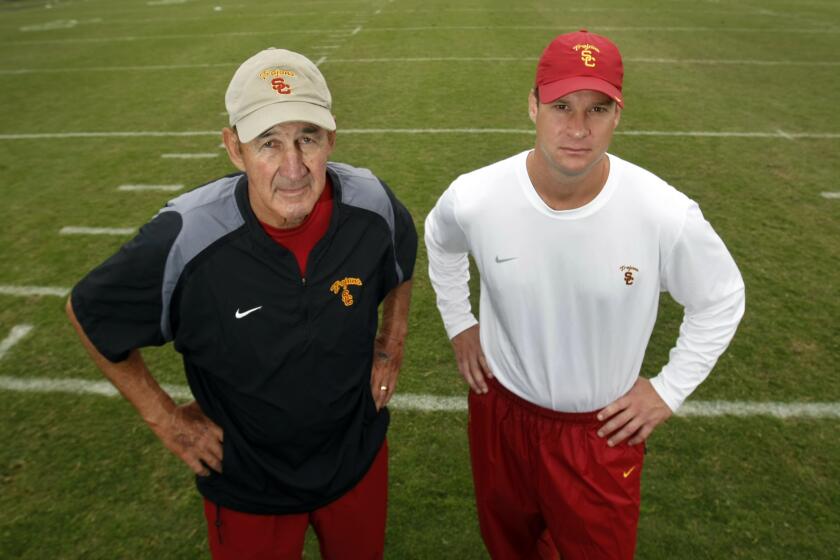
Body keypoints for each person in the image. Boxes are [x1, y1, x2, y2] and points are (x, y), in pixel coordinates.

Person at [67, 48, 417, 559]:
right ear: (234, 148)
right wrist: (164, 419)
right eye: (268, 143)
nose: (293, 166)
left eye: (308, 138)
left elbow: (402, 259)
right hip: (250, 486)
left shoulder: (372, 203)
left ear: (331, 140)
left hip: (356, 459)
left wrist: (391, 342)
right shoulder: (187, 238)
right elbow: (90, 311)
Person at [424, 30, 745, 559]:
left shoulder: (663, 213)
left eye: (597, 108)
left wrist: (668, 389)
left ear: (618, 113)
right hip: (500, 415)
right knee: (508, 545)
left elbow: (722, 297)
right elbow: (440, 241)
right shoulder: (476, 196)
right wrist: (459, 321)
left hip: (598, 435)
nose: (578, 128)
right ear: (532, 106)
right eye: (561, 106)